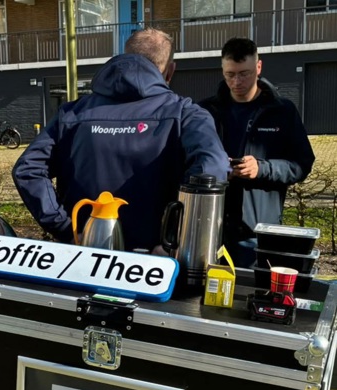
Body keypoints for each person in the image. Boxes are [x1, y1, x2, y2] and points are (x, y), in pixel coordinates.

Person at [13, 28, 228, 253]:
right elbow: (212, 171)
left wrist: (67, 229)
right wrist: (179, 240)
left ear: (126, 57)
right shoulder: (187, 114)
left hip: (81, 256)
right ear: (170, 70)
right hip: (153, 264)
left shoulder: (73, 113)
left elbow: (28, 169)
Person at [199, 37, 315, 267]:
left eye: (245, 73)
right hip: (210, 227)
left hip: (257, 231)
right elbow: (188, 161)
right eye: (230, 74)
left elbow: (302, 163)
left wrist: (262, 168)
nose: (237, 81)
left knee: (248, 298)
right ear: (222, 69)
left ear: (259, 67)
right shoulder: (205, 111)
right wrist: (219, 171)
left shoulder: (282, 111)